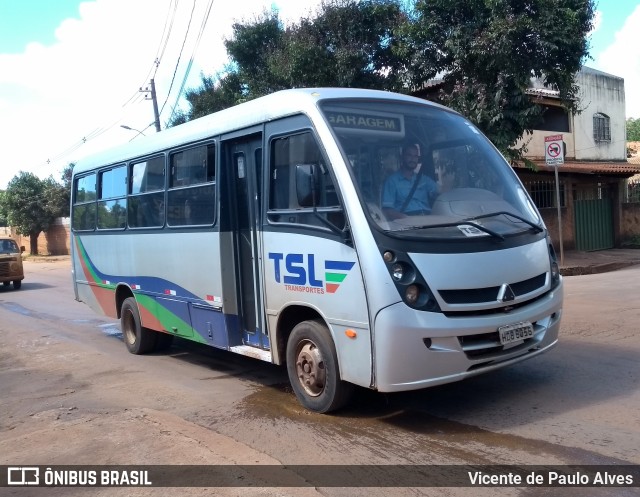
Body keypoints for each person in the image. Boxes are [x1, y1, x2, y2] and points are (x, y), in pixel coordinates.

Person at [382, 144, 439, 220]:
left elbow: (440, 193)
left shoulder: (424, 179)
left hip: (428, 219)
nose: (413, 159)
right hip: (406, 221)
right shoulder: (392, 181)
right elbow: (387, 211)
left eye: (415, 156)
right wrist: (406, 218)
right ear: (402, 157)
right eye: (409, 155)